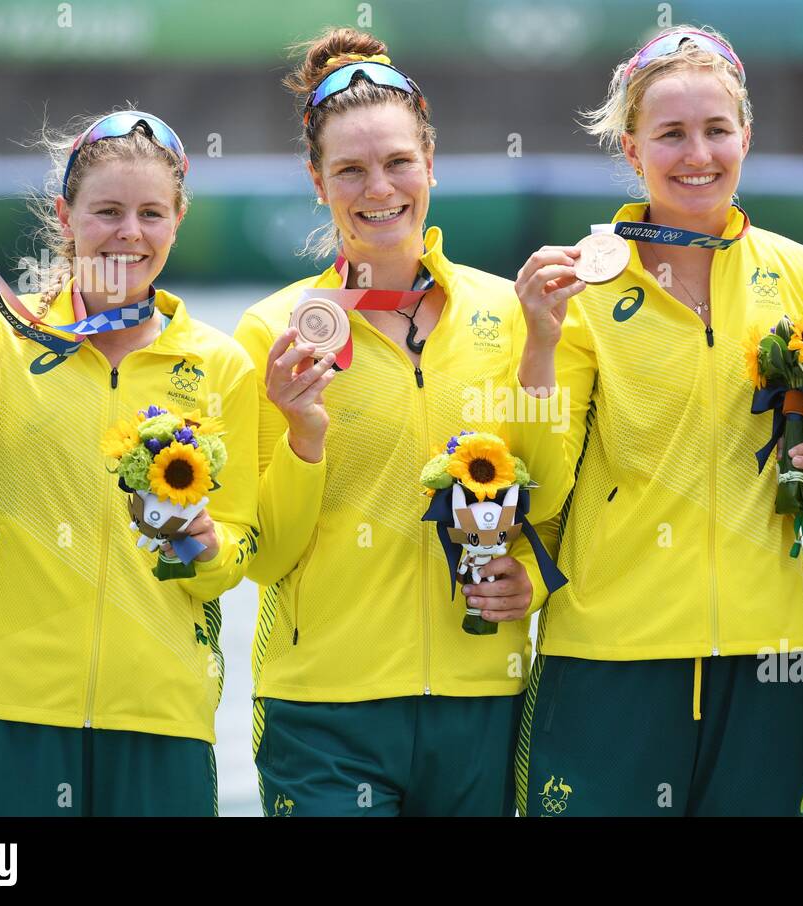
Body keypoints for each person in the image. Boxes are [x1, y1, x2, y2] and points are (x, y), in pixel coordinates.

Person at [0, 109, 259, 816]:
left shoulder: (220, 365)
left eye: (150, 212)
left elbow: (242, 551)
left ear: (177, 219)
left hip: (163, 719)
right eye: (107, 211)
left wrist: (207, 545)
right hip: (12, 714)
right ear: (66, 214)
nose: (129, 233)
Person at [511, 26, 803, 816]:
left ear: (747, 137)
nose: (697, 153)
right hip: (609, 652)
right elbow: (546, 482)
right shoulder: (578, 283)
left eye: (716, 130)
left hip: (771, 656)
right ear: (632, 150)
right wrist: (538, 343)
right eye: (670, 134)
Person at [236, 27, 557, 817]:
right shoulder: (271, 333)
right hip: (324, 713)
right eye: (349, 169)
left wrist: (542, 576)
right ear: (317, 182)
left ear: (432, 163)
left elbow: (561, 486)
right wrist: (303, 433)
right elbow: (262, 555)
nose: (378, 188)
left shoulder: (511, 313)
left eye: (397, 162)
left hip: (481, 697)